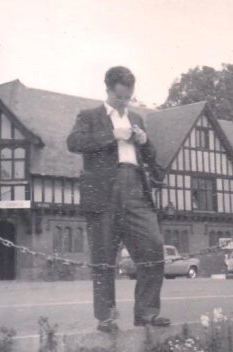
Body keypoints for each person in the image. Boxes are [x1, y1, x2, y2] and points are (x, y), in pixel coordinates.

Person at [66, 66, 170, 333]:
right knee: (103, 256)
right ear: (108, 90)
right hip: (103, 193)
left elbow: (152, 158)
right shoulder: (89, 116)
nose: (124, 103)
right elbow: (74, 142)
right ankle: (106, 318)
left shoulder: (137, 118)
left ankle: (147, 313)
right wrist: (113, 135)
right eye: (120, 97)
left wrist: (144, 141)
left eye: (128, 97)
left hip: (135, 187)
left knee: (153, 249)